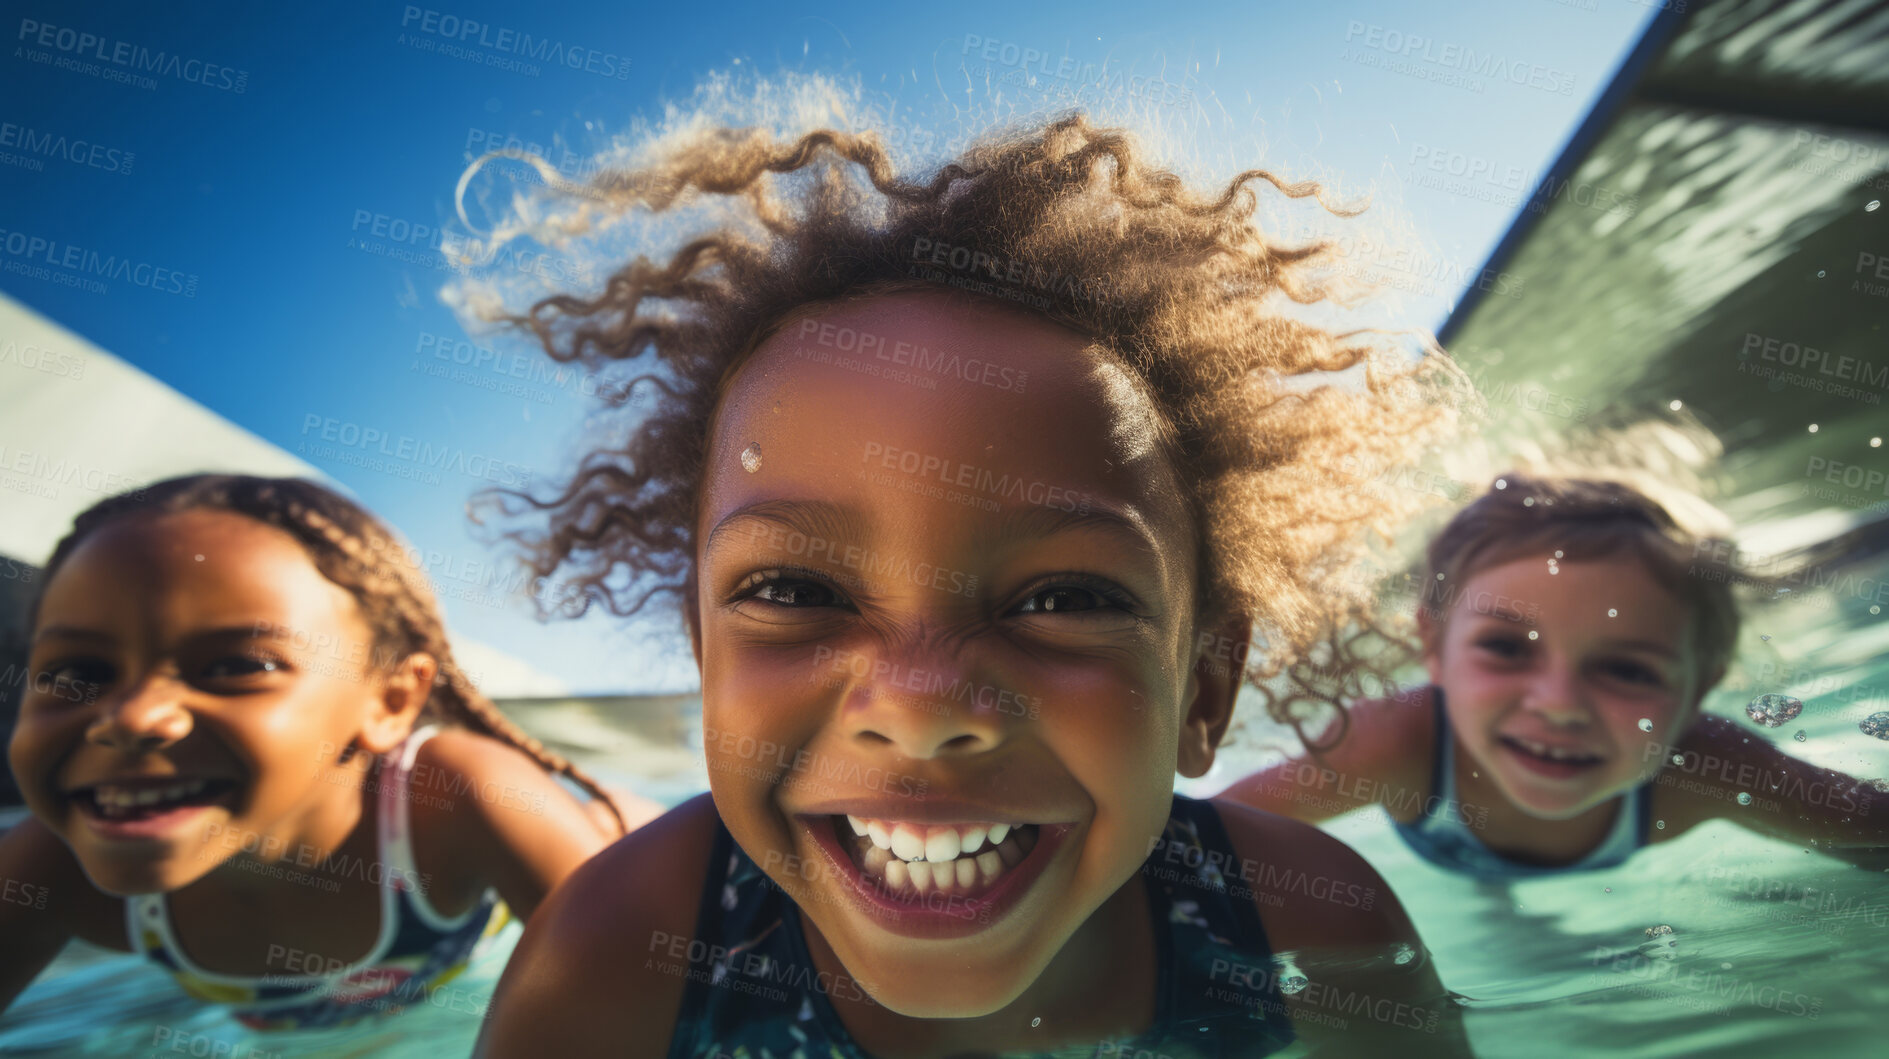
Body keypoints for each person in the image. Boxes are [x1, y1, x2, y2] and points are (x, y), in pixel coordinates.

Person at [469, 101, 1471, 1057]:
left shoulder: (1302, 926)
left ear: (1204, 684)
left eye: (1065, 600)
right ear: (703, 651)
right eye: (793, 591)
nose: (918, 708)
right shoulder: (619, 960)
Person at [0, 474, 657, 1029]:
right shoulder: (51, 867)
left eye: (237, 664)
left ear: (391, 702)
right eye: (75, 673)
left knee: (651, 853)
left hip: (540, 891)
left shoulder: (453, 798)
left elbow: (650, 1010)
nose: (133, 717)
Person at [1220, 472, 1886, 880]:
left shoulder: (1709, 766)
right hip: (1444, 844)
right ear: (1432, 645)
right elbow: (1199, 842)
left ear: (1700, 690)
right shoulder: (1393, 742)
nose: (1559, 703)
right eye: (1507, 649)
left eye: (1625, 668)